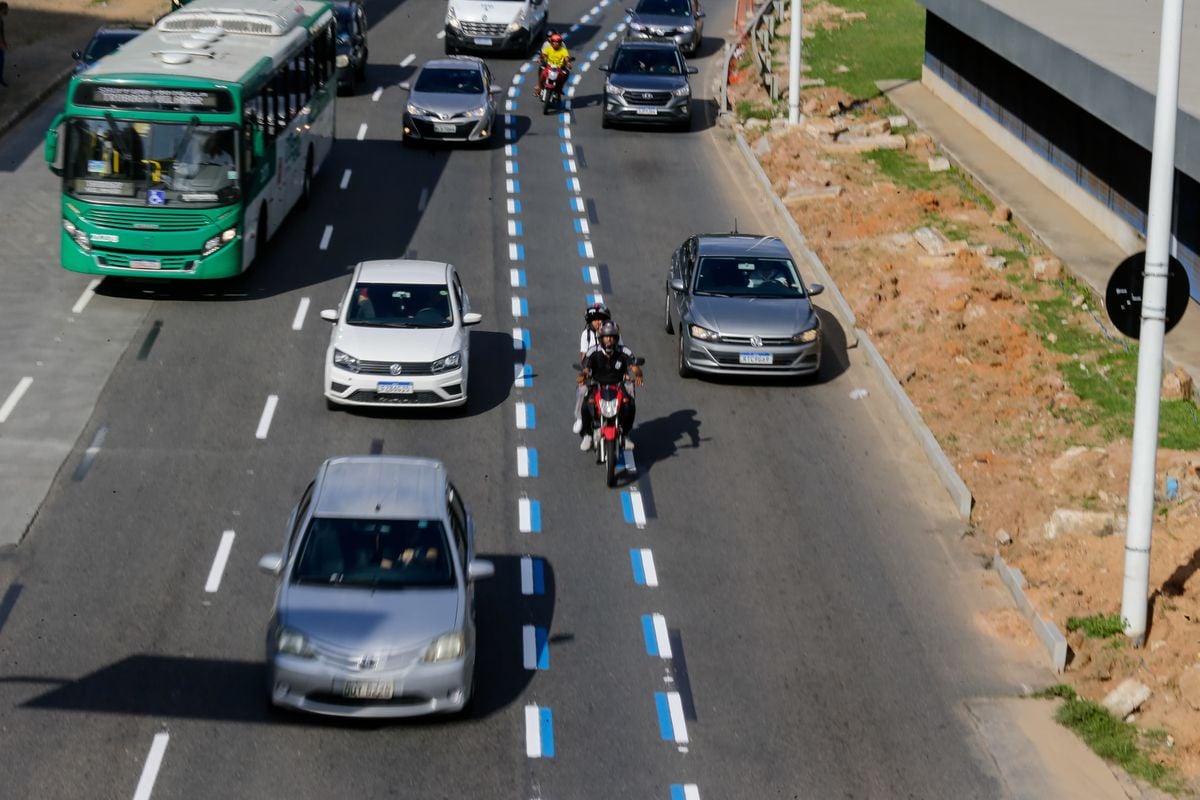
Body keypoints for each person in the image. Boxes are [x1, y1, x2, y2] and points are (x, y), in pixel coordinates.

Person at [579, 320, 644, 451]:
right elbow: (585, 368)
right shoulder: (593, 352)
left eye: (612, 337)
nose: (609, 340)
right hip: (597, 385)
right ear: (601, 338)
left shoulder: (624, 351)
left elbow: (633, 366)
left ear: (616, 338)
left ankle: (625, 434)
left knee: (630, 404)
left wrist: (638, 374)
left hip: (618, 385)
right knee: (586, 404)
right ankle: (588, 435)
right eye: (606, 337)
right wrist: (583, 376)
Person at [572, 302, 611, 434]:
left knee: (628, 390)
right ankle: (579, 418)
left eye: (601, 318)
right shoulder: (586, 335)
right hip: (594, 375)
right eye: (595, 319)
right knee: (582, 390)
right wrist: (586, 372)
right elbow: (584, 359)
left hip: (612, 373)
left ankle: (624, 428)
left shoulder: (613, 334)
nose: (599, 322)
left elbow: (622, 352)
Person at [536, 32, 571, 99]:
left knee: (564, 76)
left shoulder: (563, 50)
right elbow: (544, 55)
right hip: (549, 67)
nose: (556, 44)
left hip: (559, 68)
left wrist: (568, 63)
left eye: (558, 42)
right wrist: (540, 59)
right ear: (551, 42)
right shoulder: (548, 48)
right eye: (554, 42)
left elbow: (566, 58)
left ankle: (559, 89)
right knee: (543, 73)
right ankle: (540, 88)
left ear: (560, 43)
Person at [0, 2, 9, 88]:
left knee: (1, 61)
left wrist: (4, 42)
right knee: (1, 61)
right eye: (6, 9)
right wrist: (2, 44)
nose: (7, 11)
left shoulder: (1, 20)